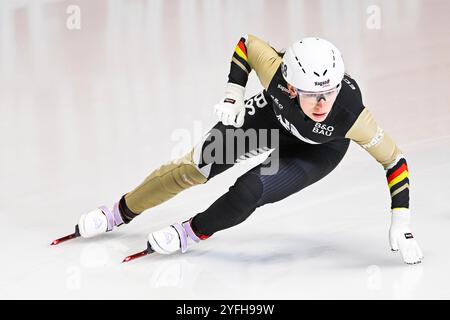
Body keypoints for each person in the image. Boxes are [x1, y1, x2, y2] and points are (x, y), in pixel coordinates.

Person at [75, 35, 423, 264]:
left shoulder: (351, 116)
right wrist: (233, 94)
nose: (322, 104)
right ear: (288, 86)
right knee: (196, 166)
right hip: (270, 119)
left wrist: (401, 220)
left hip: (316, 152)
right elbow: (246, 44)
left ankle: (190, 232)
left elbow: (395, 161)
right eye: (311, 94)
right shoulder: (274, 72)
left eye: (329, 92)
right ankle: (118, 212)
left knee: (248, 190)